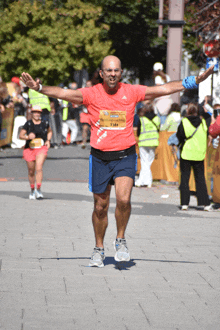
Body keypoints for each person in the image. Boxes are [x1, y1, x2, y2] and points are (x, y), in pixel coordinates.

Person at [21, 56, 214, 267]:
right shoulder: (91, 93)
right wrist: (38, 87)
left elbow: (163, 89)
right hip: (100, 157)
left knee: (123, 200)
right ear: (102, 74)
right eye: (108, 71)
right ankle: (98, 248)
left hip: (125, 155)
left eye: (116, 70)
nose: (112, 74)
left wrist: (194, 80)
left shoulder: (131, 91)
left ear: (120, 73)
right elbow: (63, 93)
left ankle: (120, 240)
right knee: (100, 207)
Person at [176, 103, 212, 211]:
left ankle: (184, 204)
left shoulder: (184, 122)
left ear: (188, 111)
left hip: (186, 153)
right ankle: (205, 203)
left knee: (185, 179)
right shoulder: (203, 123)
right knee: (200, 179)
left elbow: (180, 136)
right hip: (199, 154)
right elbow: (205, 135)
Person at [19, 105, 52, 200]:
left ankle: (39, 189)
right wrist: (27, 137)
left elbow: (50, 131)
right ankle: (32, 190)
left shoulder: (45, 123)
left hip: (41, 148)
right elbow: (21, 135)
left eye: (39, 112)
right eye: (35, 112)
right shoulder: (28, 124)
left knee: (39, 167)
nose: (37, 114)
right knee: (31, 171)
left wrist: (48, 140)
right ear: (32, 113)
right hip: (29, 149)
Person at [135, 103, 160, 187]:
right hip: (153, 142)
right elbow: (158, 130)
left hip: (143, 142)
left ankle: (143, 181)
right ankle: (146, 181)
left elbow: (138, 133)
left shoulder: (141, 119)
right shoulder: (157, 119)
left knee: (144, 162)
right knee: (148, 162)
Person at [80, 80, 92, 148]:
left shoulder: (94, 92)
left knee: (92, 128)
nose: (88, 86)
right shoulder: (83, 92)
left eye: (89, 84)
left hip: (92, 113)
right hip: (85, 113)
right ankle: (83, 142)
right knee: (85, 128)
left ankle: (94, 142)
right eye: (87, 84)